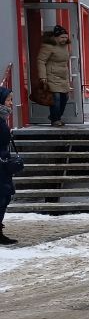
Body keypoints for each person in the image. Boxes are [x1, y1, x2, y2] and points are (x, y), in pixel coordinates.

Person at [36, 25, 72, 126]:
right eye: (62, 37)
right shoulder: (48, 46)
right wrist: (43, 77)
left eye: (66, 37)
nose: (65, 39)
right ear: (56, 37)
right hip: (51, 75)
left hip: (63, 77)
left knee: (65, 98)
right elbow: (41, 61)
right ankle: (55, 120)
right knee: (56, 98)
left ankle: (55, 116)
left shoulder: (65, 46)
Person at [0, 86, 16, 245]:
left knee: (5, 196)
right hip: (1, 164)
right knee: (2, 197)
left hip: (4, 165)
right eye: (9, 99)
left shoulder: (3, 118)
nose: (11, 103)